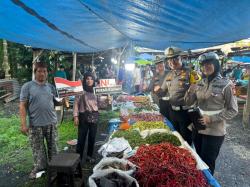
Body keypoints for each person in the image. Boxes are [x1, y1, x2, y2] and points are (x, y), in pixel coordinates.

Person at [184, 52, 238, 175]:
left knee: (207, 163)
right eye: (202, 65)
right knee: (197, 158)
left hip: (214, 131)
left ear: (216, 64)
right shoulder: (200, 82)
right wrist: (190, 90)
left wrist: (212, 118)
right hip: (197, 127)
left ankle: (207, 183)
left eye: (208, 64)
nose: (205, 67)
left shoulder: (226, 84)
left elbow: (233, 110)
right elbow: (188, 102)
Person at [19, 61, 59, 179]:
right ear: (35, 72)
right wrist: (23, 124)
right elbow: (22, 105)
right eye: (39, 71)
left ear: (47, 73)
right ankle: (40, 168)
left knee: (54, 148)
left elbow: (57, 102)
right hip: (35, 125)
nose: (42, 73)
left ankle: (55, 169)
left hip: (51, 123)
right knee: (38, 150)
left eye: (44, 71)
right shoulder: (28, 86)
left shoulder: (51, 87)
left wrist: (64, 100)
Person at [155, 47, 201, 145]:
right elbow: (163, 92)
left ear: (181, 58)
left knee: (186, 141)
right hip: (172, 112)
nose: (172, 62)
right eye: (169, 60)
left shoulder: (191, 73)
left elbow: (200, 94)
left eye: (175, 59)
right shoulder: (169, 75)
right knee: (176, 137)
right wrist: (157, 90)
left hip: (186, 113)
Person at [73, 72, 99, 163]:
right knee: (81, 138)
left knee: (92, 137)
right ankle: (78, 157)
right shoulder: (80, 90)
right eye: (87, 78)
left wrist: (108, 100)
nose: (89, 80)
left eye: (91, 79)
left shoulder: (97, 91)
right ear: (85, 80)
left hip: (94, 116)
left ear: (94, 80)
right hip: (83, 116)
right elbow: (76, 103)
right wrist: (75, 116)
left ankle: (89, 156)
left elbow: (102, 104)